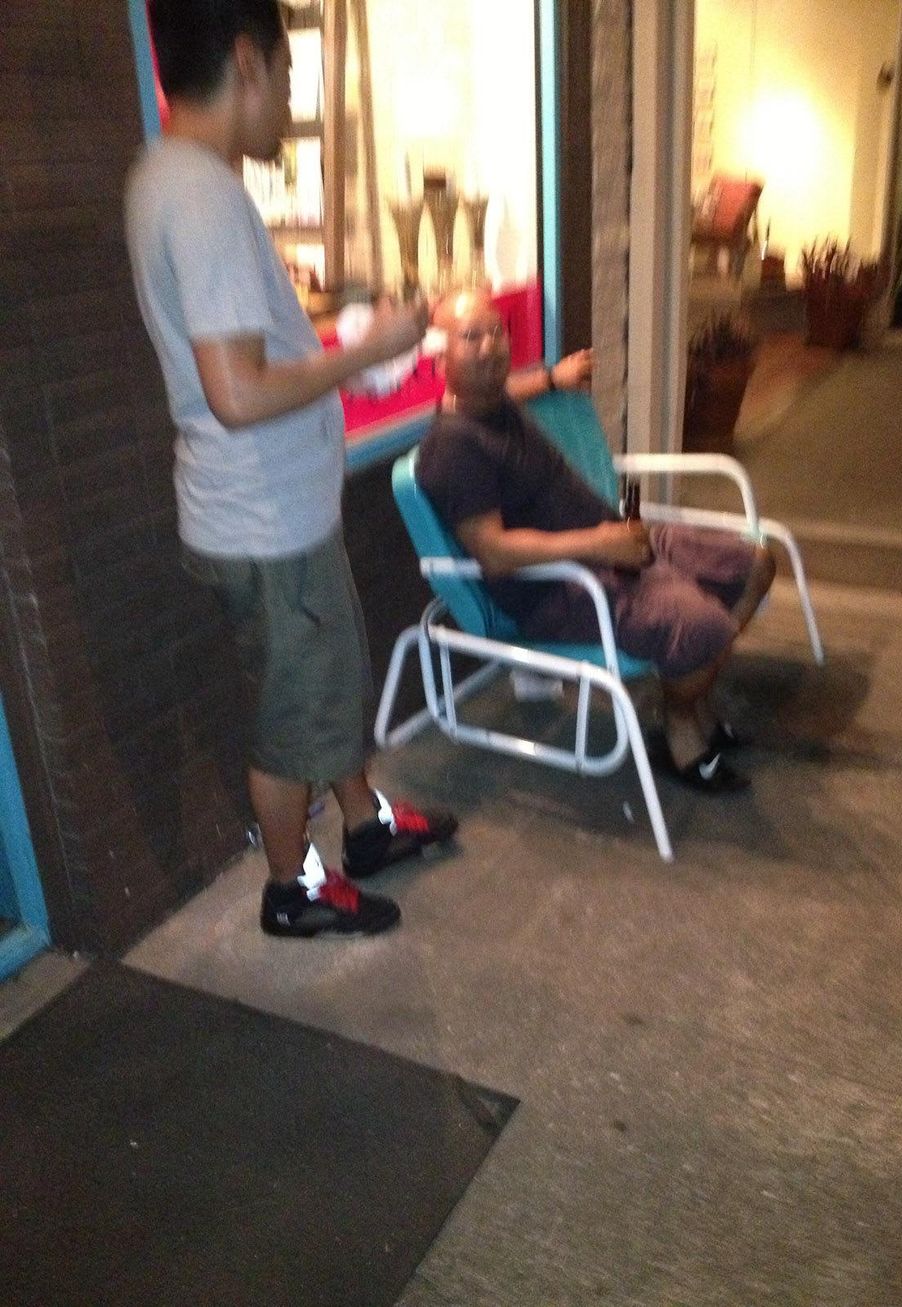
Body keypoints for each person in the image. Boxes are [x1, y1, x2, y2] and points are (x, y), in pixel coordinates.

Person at [125, 0, 457, 940]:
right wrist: (372, 349)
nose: (292, 100)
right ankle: (292, 886)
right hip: (264, 524)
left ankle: (364, 822)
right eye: (291, 73)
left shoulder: (169, 176)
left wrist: (334, 340)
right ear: (248, 61)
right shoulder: (203, 197)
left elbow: (238, 354)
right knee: (291, 718)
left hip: (269, 513)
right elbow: (234, 391)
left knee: (324, 678)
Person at [417, 292, 776, 791]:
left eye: (496, 331)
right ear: (438, 356)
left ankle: (689, 688)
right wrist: (597, 544)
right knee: (704, 625)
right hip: (560, 587)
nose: (490, 347)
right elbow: (493, 555)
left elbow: (499, 389)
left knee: (756, 565)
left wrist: (550, 378)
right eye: (470, 337)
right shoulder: (454, 449)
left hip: (613, 544)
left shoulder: (492, 406)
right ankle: (681, 728)